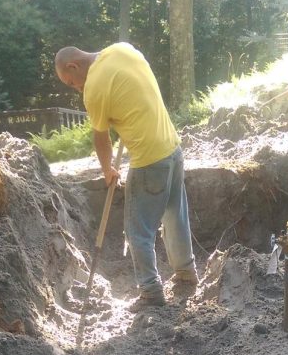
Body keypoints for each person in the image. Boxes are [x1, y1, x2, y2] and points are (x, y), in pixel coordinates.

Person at [55, 42, 197, 311]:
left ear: (73, 65)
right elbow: (136, 94)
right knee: (174, 215)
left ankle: (150, 290)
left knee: (137, 231)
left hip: (148, 161)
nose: (77, 88)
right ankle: (186, 274)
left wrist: (108, 170)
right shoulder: (123, 49)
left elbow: (101, 139)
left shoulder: (95, 88)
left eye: (72, 82)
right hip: (173, 150)